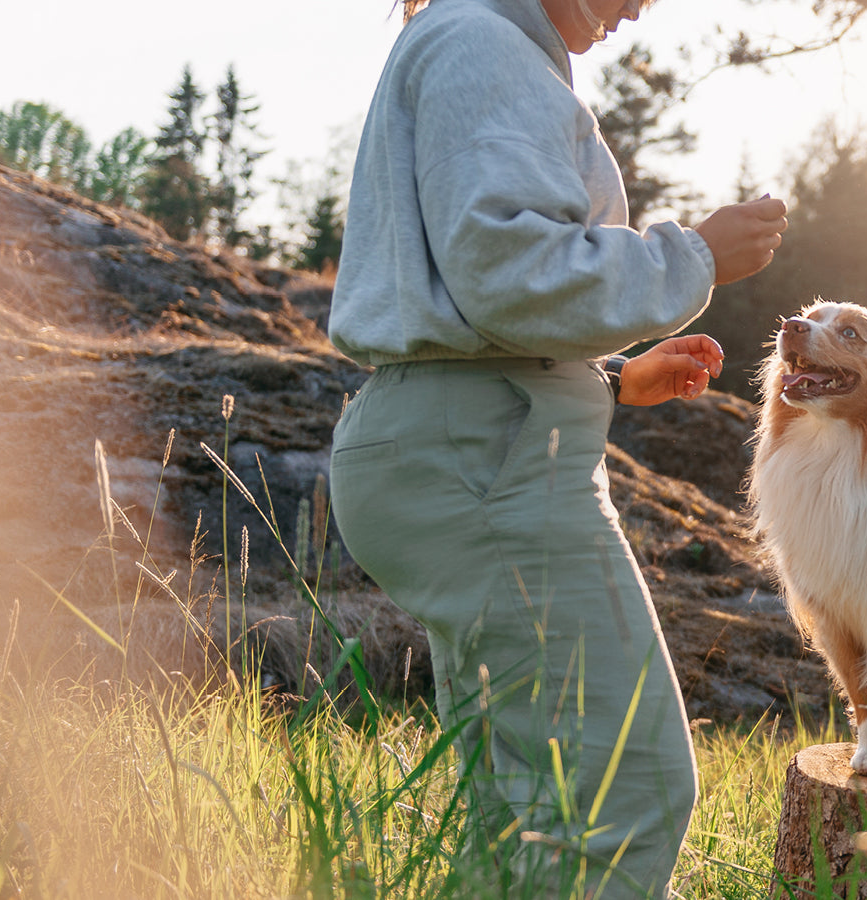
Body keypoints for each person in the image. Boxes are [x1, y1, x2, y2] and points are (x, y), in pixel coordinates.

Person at [324, 0, 789, 894]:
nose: (641, 4)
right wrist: (693, 256)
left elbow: (475, 292)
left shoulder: (482, 45)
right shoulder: (480, 42)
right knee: (623, 794)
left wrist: (606, 381)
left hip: (472, 451)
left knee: (524, 813)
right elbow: (507, 269)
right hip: (484, 464)